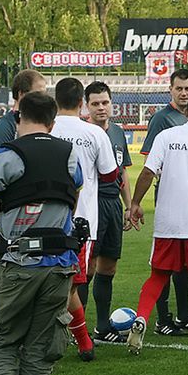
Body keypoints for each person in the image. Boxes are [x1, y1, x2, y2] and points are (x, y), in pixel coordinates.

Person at [0, 92, 83, 375]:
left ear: (19, 118)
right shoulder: (70, 154)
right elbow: (67, 202)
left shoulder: (6, 155)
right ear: (52, 122)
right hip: (60, 268)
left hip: (18, 264)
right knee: (40, 352)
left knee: (2, 345)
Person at [127, 92, 188, 354]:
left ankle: (141, 317)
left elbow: (148, 171)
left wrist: (135, 203)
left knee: (158, 276)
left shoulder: (166, 137)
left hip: (168, 221)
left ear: (186, 112)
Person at [51, 78, 118, 361]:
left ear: (56, 102)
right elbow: (110, 175)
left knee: (44, 279)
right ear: (82, 103)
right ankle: (82, 340)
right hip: (80, 220)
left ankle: (71, 338)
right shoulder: (93, 133)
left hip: (42, 217)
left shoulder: (45, 129)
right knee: (71, 283)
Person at [140, 69, 188, 336]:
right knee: (166, 260)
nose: (184, 93)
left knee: (186, 260)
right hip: (169, 195)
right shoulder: (162, 119)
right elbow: (150, 161)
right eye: (179, 88)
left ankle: (184, 313)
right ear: (171, 90)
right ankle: (163, 319)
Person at [79, 81, 133, 344]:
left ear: (112, 103)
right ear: (86, 106)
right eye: (95, 104)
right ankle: (77, 328)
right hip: (93, 203)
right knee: (86, 269)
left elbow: (122, 172)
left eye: (105, 102)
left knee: (109, 266)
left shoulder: (119, 132)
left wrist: (130, 205)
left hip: (113, 204)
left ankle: (102, 327)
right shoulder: (84, 133)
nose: (101, 108)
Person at [0, 69, 46, 150]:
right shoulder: (5, 125)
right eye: (38, 93)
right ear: (21, 94)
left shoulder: (45, 121)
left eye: (44, 93)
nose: (43, 98)